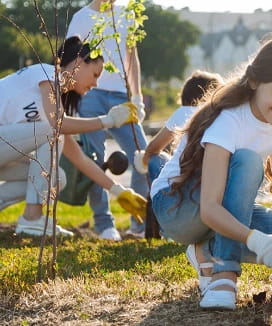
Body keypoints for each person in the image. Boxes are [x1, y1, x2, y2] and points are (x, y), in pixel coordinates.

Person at [150, 35, 272, 310]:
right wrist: (257, 241)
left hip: (220, 209)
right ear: (255, 82)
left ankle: (204, 250)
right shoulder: (229, 120)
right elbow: (209, 208)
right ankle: (223, 275)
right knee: (248, 160)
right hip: (176, 207)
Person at [0, 36, 146, 237]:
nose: (95, 84)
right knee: (54, 132)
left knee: (57, 176)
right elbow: (58, 125)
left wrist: (118, 191)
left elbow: (79, 158)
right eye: (95, 74)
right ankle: (32, 219)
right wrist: (109, 120)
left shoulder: (52, 109)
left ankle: (31, 219)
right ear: (79, 63)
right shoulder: (46, 73)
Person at [66, 0, 149, 240]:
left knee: (142, 156)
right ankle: (104, 224)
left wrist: (137, 97)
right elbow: (72, 58)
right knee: (95, 158)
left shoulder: (127, 15)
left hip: (122, 95)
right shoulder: (82, 18)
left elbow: (132, 58)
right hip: (90, 94)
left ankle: (139, 223)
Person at [133, 70, 224, 181]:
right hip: (211, 180)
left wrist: (143, 162)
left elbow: (153, 147)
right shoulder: (221, 115)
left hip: (181, 182)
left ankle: (155, 194)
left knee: (155, 159)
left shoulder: (185, 111)